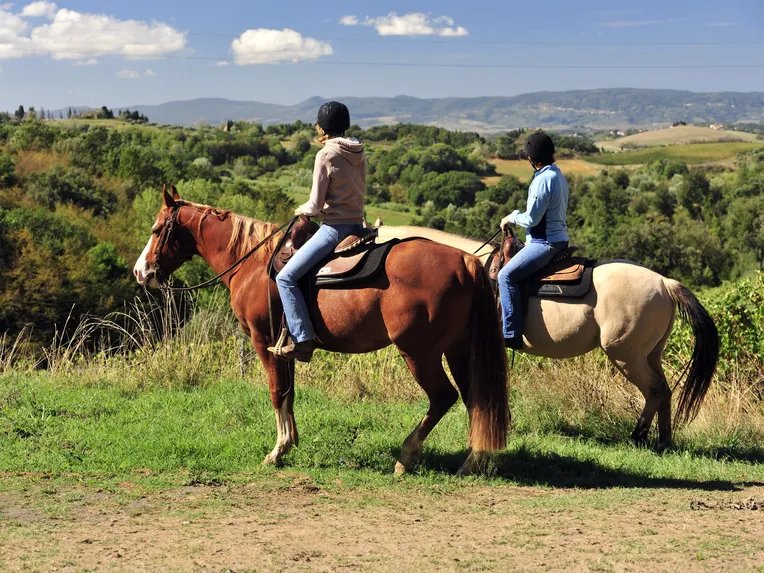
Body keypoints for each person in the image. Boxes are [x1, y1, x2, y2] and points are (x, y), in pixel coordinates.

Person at [268, 101, 367, 362]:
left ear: (322, 127)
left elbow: (314, 203)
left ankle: (302, 340)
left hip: (334, 228)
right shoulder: (359, 151)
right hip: (359, 224)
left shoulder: (325, 154)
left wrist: (302, 210)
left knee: (286, 278)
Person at [498, 132, 569, 350]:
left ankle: (510, 333)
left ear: (531, 159)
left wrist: (511, 216)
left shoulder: (543, 180)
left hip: (544, 243)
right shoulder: (557, 174)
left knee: (505, 276)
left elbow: (531, 218)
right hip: (554, 239)